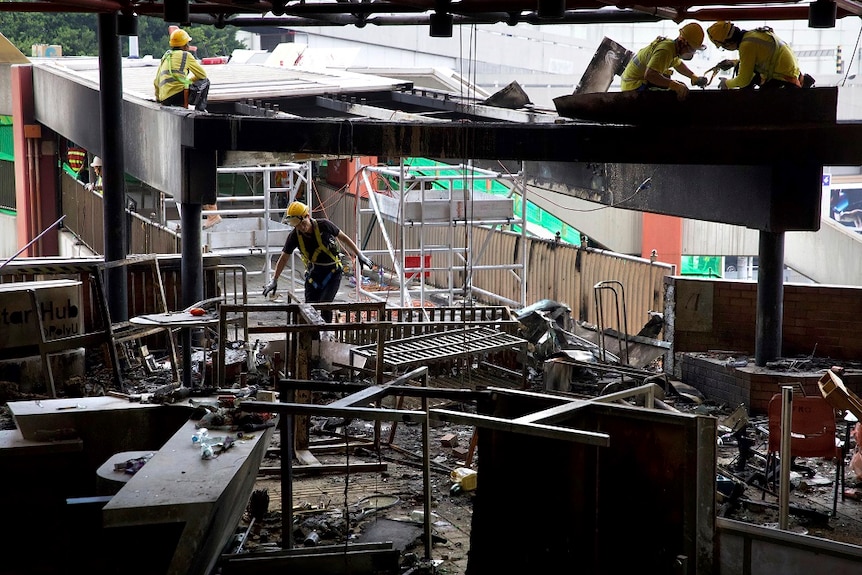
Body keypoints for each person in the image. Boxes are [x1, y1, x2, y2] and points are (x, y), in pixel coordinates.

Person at [262, 201, 374, 321]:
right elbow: (284, 257)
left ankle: (326, 335)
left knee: (325, 305)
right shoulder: (294, 236)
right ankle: (313, 338)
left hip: (332, 273)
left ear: (308, 216)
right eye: (297, 225)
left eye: (303, 223)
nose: (301, 227)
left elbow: (343, 238)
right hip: (313, 275)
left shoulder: (324, 225)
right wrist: (274, 279)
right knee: (310, 310)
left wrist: (360, 255)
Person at [706, 21, 812, 90]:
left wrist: (727, 84)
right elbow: (760, 58)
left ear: (727, 43)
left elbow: (744, 80)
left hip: (785, 82)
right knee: (740, 66)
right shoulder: (752, 35)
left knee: (745, 78)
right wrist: (734, 62)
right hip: (791, 75)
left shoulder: (746, 46)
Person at [620, 22, 708, 100]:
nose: (691, 53)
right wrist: (674, 85)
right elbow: (650, 75)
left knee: (676, 85)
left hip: (636, 82)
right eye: (692, 49)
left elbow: (678, 64)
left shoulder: (672, 48)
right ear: (683, 43)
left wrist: (693, 76)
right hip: (634, 86)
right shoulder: (665, 51)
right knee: (674, 93)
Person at [153, 28, 210, 112]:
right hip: (178, 97)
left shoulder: (166, 55)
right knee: (205, 81)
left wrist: (158, 99)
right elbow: (202, 75)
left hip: (164, 98)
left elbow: (157, 81)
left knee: (181, 86)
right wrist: (190, 81)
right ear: (184, 45)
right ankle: (200, 110)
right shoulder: (186, 55)